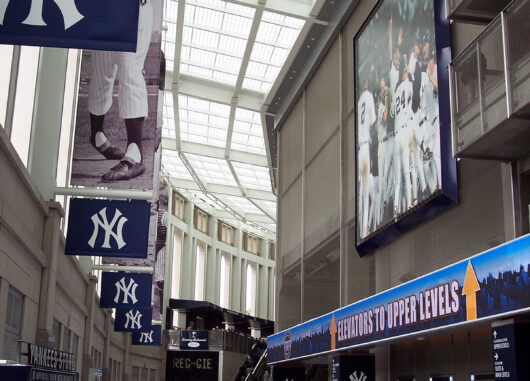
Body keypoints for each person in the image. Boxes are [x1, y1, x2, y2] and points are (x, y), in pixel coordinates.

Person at [87, 0, 153, 181]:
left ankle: (135, 153)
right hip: (104, 10)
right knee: (102, 72)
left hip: (135, 9)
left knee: (130, 71)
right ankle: (97, 134)